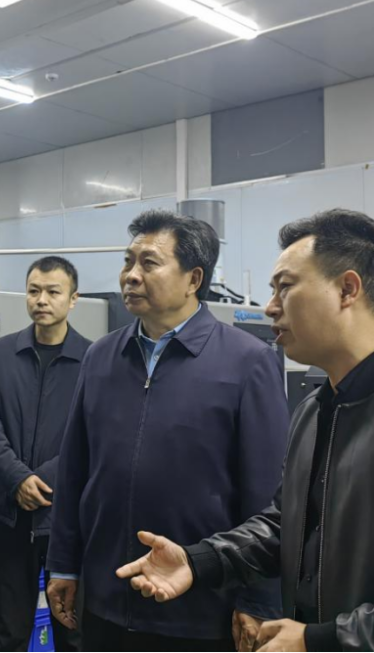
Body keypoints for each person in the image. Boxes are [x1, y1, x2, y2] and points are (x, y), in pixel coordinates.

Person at [116, 209, 374, 653]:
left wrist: (320, 641)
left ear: (348, 289)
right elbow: (288, 525)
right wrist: (198, 562)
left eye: (285, 287)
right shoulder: (315, 411)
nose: (270, 306)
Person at [46, 210, 289, 652]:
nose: (131, 275)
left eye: (149, 263)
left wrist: (259, 598)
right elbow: (75, 470)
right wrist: (63, 563)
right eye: (128, 261)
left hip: (199, 609)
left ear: (194, 279)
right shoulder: (101, 357)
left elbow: (268, 494)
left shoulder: (248, 362)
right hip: (105, 599)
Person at [0, 256, 91, 653]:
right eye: (34, 291)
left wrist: (45, 480)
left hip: (66, 518)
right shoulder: (1, 353)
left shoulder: (93, 359)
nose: (42, 300)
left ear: (73, 299)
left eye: (53, 292)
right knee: (9, 633)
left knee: (73, 632)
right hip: (9, 514)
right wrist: (17, 479)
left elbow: (92, 435)